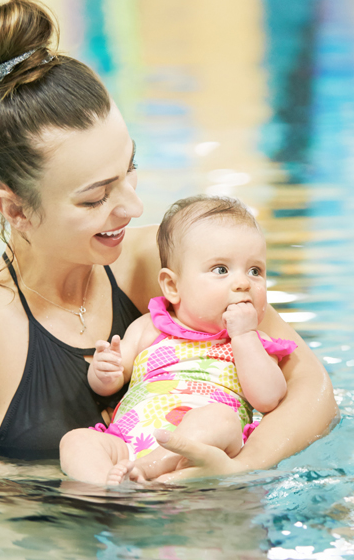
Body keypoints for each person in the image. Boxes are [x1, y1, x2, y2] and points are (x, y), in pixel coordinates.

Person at [0, 0, 337, 472]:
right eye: (95, 198)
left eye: (131, 169)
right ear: (15, 209)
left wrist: (239, 469)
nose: (133, 208)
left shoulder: (163, 262)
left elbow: (313, 391)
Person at [60, 195, 296, 485]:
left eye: (255, 271)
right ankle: (105, 490)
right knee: (76, 441)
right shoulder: (151, 327)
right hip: (129, 442)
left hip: (199, 453)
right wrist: (104, 371)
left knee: (220, 419)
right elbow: (110, 382)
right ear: (172, 285)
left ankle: (155, 467)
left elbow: (269, 398)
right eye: (221, 270)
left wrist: (244, 337)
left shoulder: (253, 343)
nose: (243, 282)